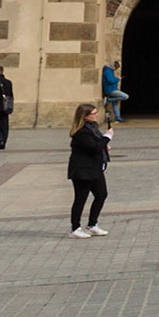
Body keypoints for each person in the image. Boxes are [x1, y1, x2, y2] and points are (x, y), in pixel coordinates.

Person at [66, 102, 112, 238]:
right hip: (83, 170)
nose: (96, 115)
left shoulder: (93, 127)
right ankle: (75, 228)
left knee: (101, 194)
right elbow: (93, 148)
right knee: (81, 198)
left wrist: (104, 145)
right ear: (84, 116)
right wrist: (107, 137)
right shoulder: (82, 131)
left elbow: (96, 144)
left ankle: (92, 224)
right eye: (93, 113)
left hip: (95, 168)